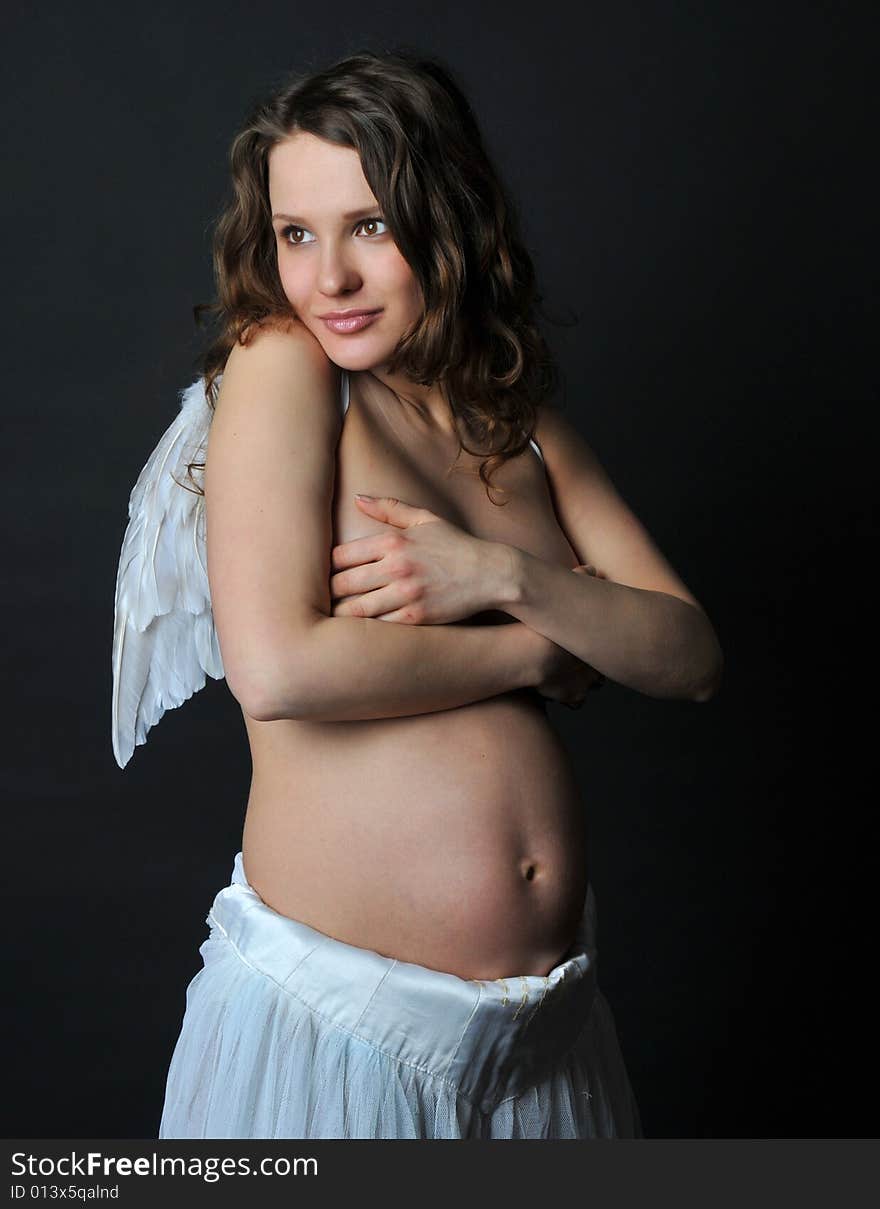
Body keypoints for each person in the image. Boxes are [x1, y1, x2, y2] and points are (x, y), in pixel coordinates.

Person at [112, 48, 723, 1139]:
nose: (328, 279)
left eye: (370, 226)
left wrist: (502, 577)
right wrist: (540, 646)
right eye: (296, 234)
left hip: (546, 1039)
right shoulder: (283, 367)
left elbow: (685, 654)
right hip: (337, 1027)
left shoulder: (514, 419)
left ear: (449, 221)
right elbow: (280, 666)